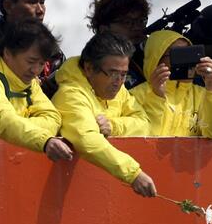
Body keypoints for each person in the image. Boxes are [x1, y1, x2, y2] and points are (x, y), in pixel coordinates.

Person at [52, 31, 156, 197]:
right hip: (77, 196)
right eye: (113, 73)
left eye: (123, 74)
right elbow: (87, 141)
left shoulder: (120, 90)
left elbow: (145, 124)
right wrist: (133, 174)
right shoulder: (70, 95)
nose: (119, 82)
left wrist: (113, 126)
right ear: (88, 68)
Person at [0, 19, 72, 161]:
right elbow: (2, 120)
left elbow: (53, 119)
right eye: (31, 62)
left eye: (42, 64)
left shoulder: (28, 80)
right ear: (7, 53)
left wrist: (18, 124)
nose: (36, 70)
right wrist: (44, 141)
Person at [131, 30, 212, 138]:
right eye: (177, 54)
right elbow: (146, 138)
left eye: (188, 53)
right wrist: (156, 96)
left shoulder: (204, 94)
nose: (185, 61)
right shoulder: (135, 96)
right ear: (156, 59)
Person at [87, 0, 151, 88]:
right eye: (127, 22)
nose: (137, 27)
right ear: (104, 29)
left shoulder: (153, 55)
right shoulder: (96, 66)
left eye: (141, 21)